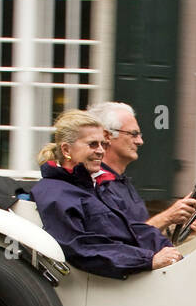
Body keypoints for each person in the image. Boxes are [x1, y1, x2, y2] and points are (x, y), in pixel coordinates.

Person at [30, 109, 183, 278]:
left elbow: (132, 229)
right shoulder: (54, 193)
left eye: (103, 144)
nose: (101, 151)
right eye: (93, 144)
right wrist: (148, 259)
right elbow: (79, 248)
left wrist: (167, 248)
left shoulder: (95, 187)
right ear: (66, 150)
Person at [87, 101, 196, 236]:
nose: (140, 141)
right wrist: (167, 217)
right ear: (107, 136)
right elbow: (119, 242)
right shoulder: (98, 185)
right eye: (133, 134)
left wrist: (174, 227)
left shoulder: (121, 182)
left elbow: (142, 236)